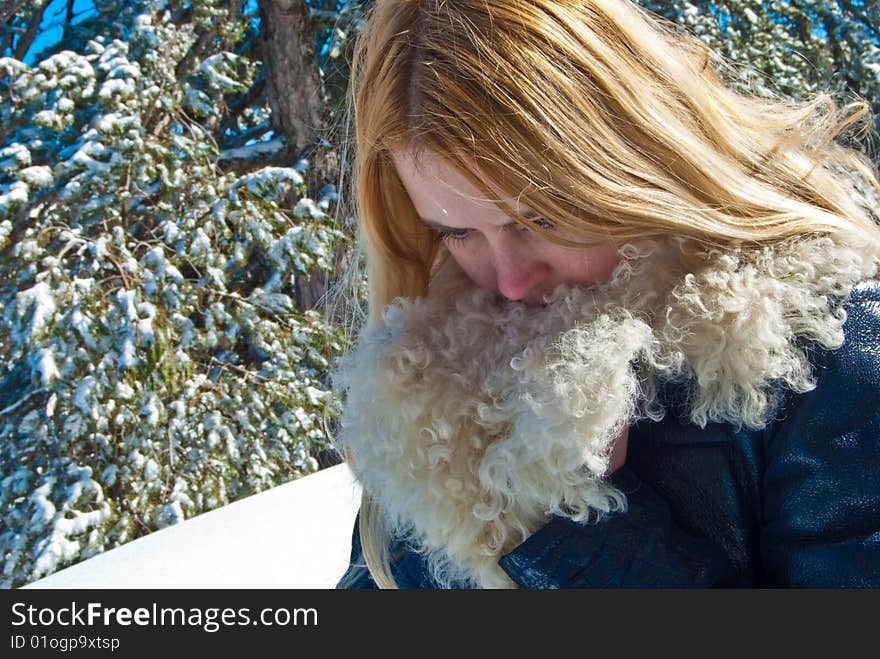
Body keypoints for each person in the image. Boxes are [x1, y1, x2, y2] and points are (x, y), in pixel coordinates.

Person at [330, 0, 880, 588]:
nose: (510, 280)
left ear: (631, 161)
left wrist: (574, 529)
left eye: (540, 219)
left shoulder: (828, 354)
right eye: (457, 232)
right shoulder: (434, 384)